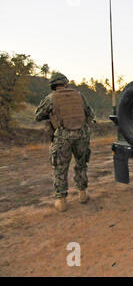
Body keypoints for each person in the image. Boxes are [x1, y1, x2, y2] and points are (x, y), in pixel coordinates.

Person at [35, 73, 95, 212]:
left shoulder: (51, 98)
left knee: (60, 168)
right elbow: (90, 114)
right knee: (81, 164)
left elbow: (38, 116)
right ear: (66, 83)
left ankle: (61, 201)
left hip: (62, 136)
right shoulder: (80, 96)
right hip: (81, 134)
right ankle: (82, 194)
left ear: (53, 85)